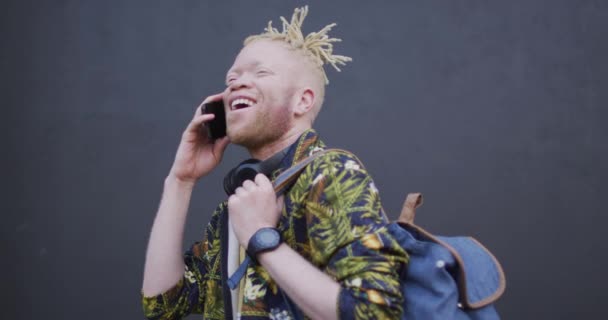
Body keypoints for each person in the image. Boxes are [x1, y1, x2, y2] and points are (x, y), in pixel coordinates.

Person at [141, 6, 408, 320]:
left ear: (302, 101)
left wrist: (261, 238)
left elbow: (376, 312)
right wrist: (180, 181)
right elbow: (163, 306)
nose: (236, 84)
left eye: (261, 72)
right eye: (231, 79)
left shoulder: (330, 174)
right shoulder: (240, 205)